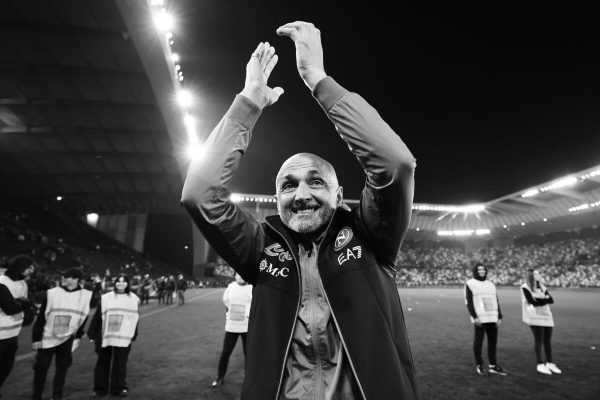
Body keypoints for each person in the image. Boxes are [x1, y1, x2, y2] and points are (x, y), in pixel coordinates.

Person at [182, 21, 419, 400]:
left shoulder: (372, 235)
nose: (301, 194)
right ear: (276, 199)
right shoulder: (259, 248)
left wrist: (318, 79)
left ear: (340, 195)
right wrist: (247, 104)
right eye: (288, 185)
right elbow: (199, 195)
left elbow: (395, 165)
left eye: (316, 181)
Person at [31, 267, 93, 400]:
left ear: (76, 279)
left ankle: (57, 395)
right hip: (47, 337)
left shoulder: (85, 295)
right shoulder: (52, 293)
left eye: (67, 276)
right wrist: (36, 337)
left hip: (67, 338)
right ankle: (36, 396)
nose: (63, 279)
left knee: (62, 369)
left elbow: (84, 316)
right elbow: (42, 316)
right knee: (40, 369)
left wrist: (78, 335)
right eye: (63, 276)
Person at [88, 274, 140, 397]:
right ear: (115, 283)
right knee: (102, 362)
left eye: (124, 282)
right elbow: (98, 316)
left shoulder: (133, 298)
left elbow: (134, 317)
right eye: (118, 281)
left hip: (123, 335)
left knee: (120, 363)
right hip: (105, 334)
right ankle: (100, 389)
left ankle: (119, 388)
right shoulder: (106, 297)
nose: (120, 284)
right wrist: (92, 332)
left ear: (128, 284)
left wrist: (134, 333)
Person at [464, 262, 509, 376]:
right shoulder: (470, 283)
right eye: (479, 270)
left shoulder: (491, 284)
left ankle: (493, 366)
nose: (481, 271)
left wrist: (499, 316)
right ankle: (479, 365)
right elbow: (468, 302)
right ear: (475, 271)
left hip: (493, 318)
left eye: (483, 269)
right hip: (480, 319)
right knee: (478, 342)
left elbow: (496, 301)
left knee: (493, 342)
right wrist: (475, 317)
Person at [0, 255, 36, 397]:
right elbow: (11, 308)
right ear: (20, 266)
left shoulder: (23, 284)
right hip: (0, 334)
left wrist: (25, 307)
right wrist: (24, 304)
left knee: (6, 368)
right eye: (30, 267)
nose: (32, 270)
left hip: (13, 334)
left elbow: (24, 308)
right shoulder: (2, 281)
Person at [212, 273, 253, 387]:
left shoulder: (251, 288)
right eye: (238, 274)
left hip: (246, 327)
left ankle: (250, 379)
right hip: (232, 326)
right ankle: (220, 377)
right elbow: (225, 301)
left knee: (249, 355)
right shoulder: (230, 287)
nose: (240, 276)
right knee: (225, 353)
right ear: (235, 275)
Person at [521, 268, 561, 375]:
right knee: (539, 340)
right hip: (534, 317)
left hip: (547, 316)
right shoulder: (525, 287)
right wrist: (544, 299)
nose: (537, 275)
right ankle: (540, 364)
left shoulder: (543, 287)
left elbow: (551, 300)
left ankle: (550, 363)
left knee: (547, 341)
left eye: (538, 274)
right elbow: (532, 302)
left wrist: (540, 300)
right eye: (535, 274)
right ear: (530, 276)